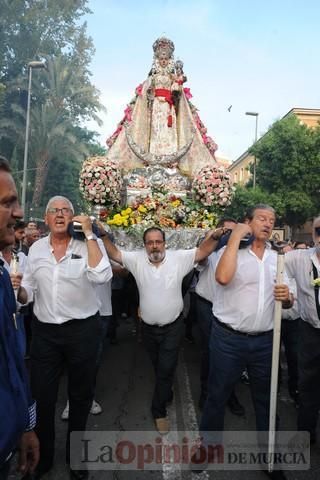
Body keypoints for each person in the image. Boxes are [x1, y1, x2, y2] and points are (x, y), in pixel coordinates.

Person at [16, 195, 112, 480]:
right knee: (43, 398)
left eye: (65, 211)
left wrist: (91, 234)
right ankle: (42, 457)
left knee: (80, 397)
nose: (59, 214)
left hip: (82, 331)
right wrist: (19, 291)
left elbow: (102, 276)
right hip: (45, 334)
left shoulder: (86, 245)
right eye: (53, 211)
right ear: (46, 220)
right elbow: (29, 292)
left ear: (72, 217)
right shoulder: (35, 250)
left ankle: (76, 458)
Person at [196, 205, 292, 479]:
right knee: (217, 395)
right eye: (261, 218)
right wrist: (236, 236)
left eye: (272, 220)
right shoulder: (227, 253)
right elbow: (223, 278)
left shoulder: (278, 258)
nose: (267, 223)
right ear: (247, 222)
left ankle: (270, 454)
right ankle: (208, 448)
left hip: (265, 341)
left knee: (266, 398)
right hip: (228, 339)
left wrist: (288, 297)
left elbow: (290, 299)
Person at [101, 225, 226, 434]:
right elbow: (113, 252)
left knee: (166, 367)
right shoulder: (136, 259)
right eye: (150, 242)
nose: (154, 246)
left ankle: (158, 411)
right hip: (148, 329)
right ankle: (165, 391)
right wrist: (103, 235)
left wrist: (214, 236)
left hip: (173, 328)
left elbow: (203, 252)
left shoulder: (179, 258)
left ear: (164, 243)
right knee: (159, 366)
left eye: (158, 241)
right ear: (145, 246)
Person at [0, 156, 39, 479]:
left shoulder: (1, 274)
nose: (20, 214)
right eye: (7, 203)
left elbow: (12, 360)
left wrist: (26, 426)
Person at [195, 217, 245, 416]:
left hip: (230, 309)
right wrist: (212, 238)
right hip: (207, 306)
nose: (229, 236)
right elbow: (200, 260)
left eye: (234, 233)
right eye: (225, 232)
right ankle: (206, 392)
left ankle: (229, 394)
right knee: (211, 352)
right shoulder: (210, 249)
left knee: (232, 355)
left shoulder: (241, 253)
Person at [285, 216, 320, 445]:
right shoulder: (298, 259)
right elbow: (274, 265)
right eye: (319, 230)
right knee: (307, 385)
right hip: (310, 332)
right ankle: (305, 434)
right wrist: (288, 293)